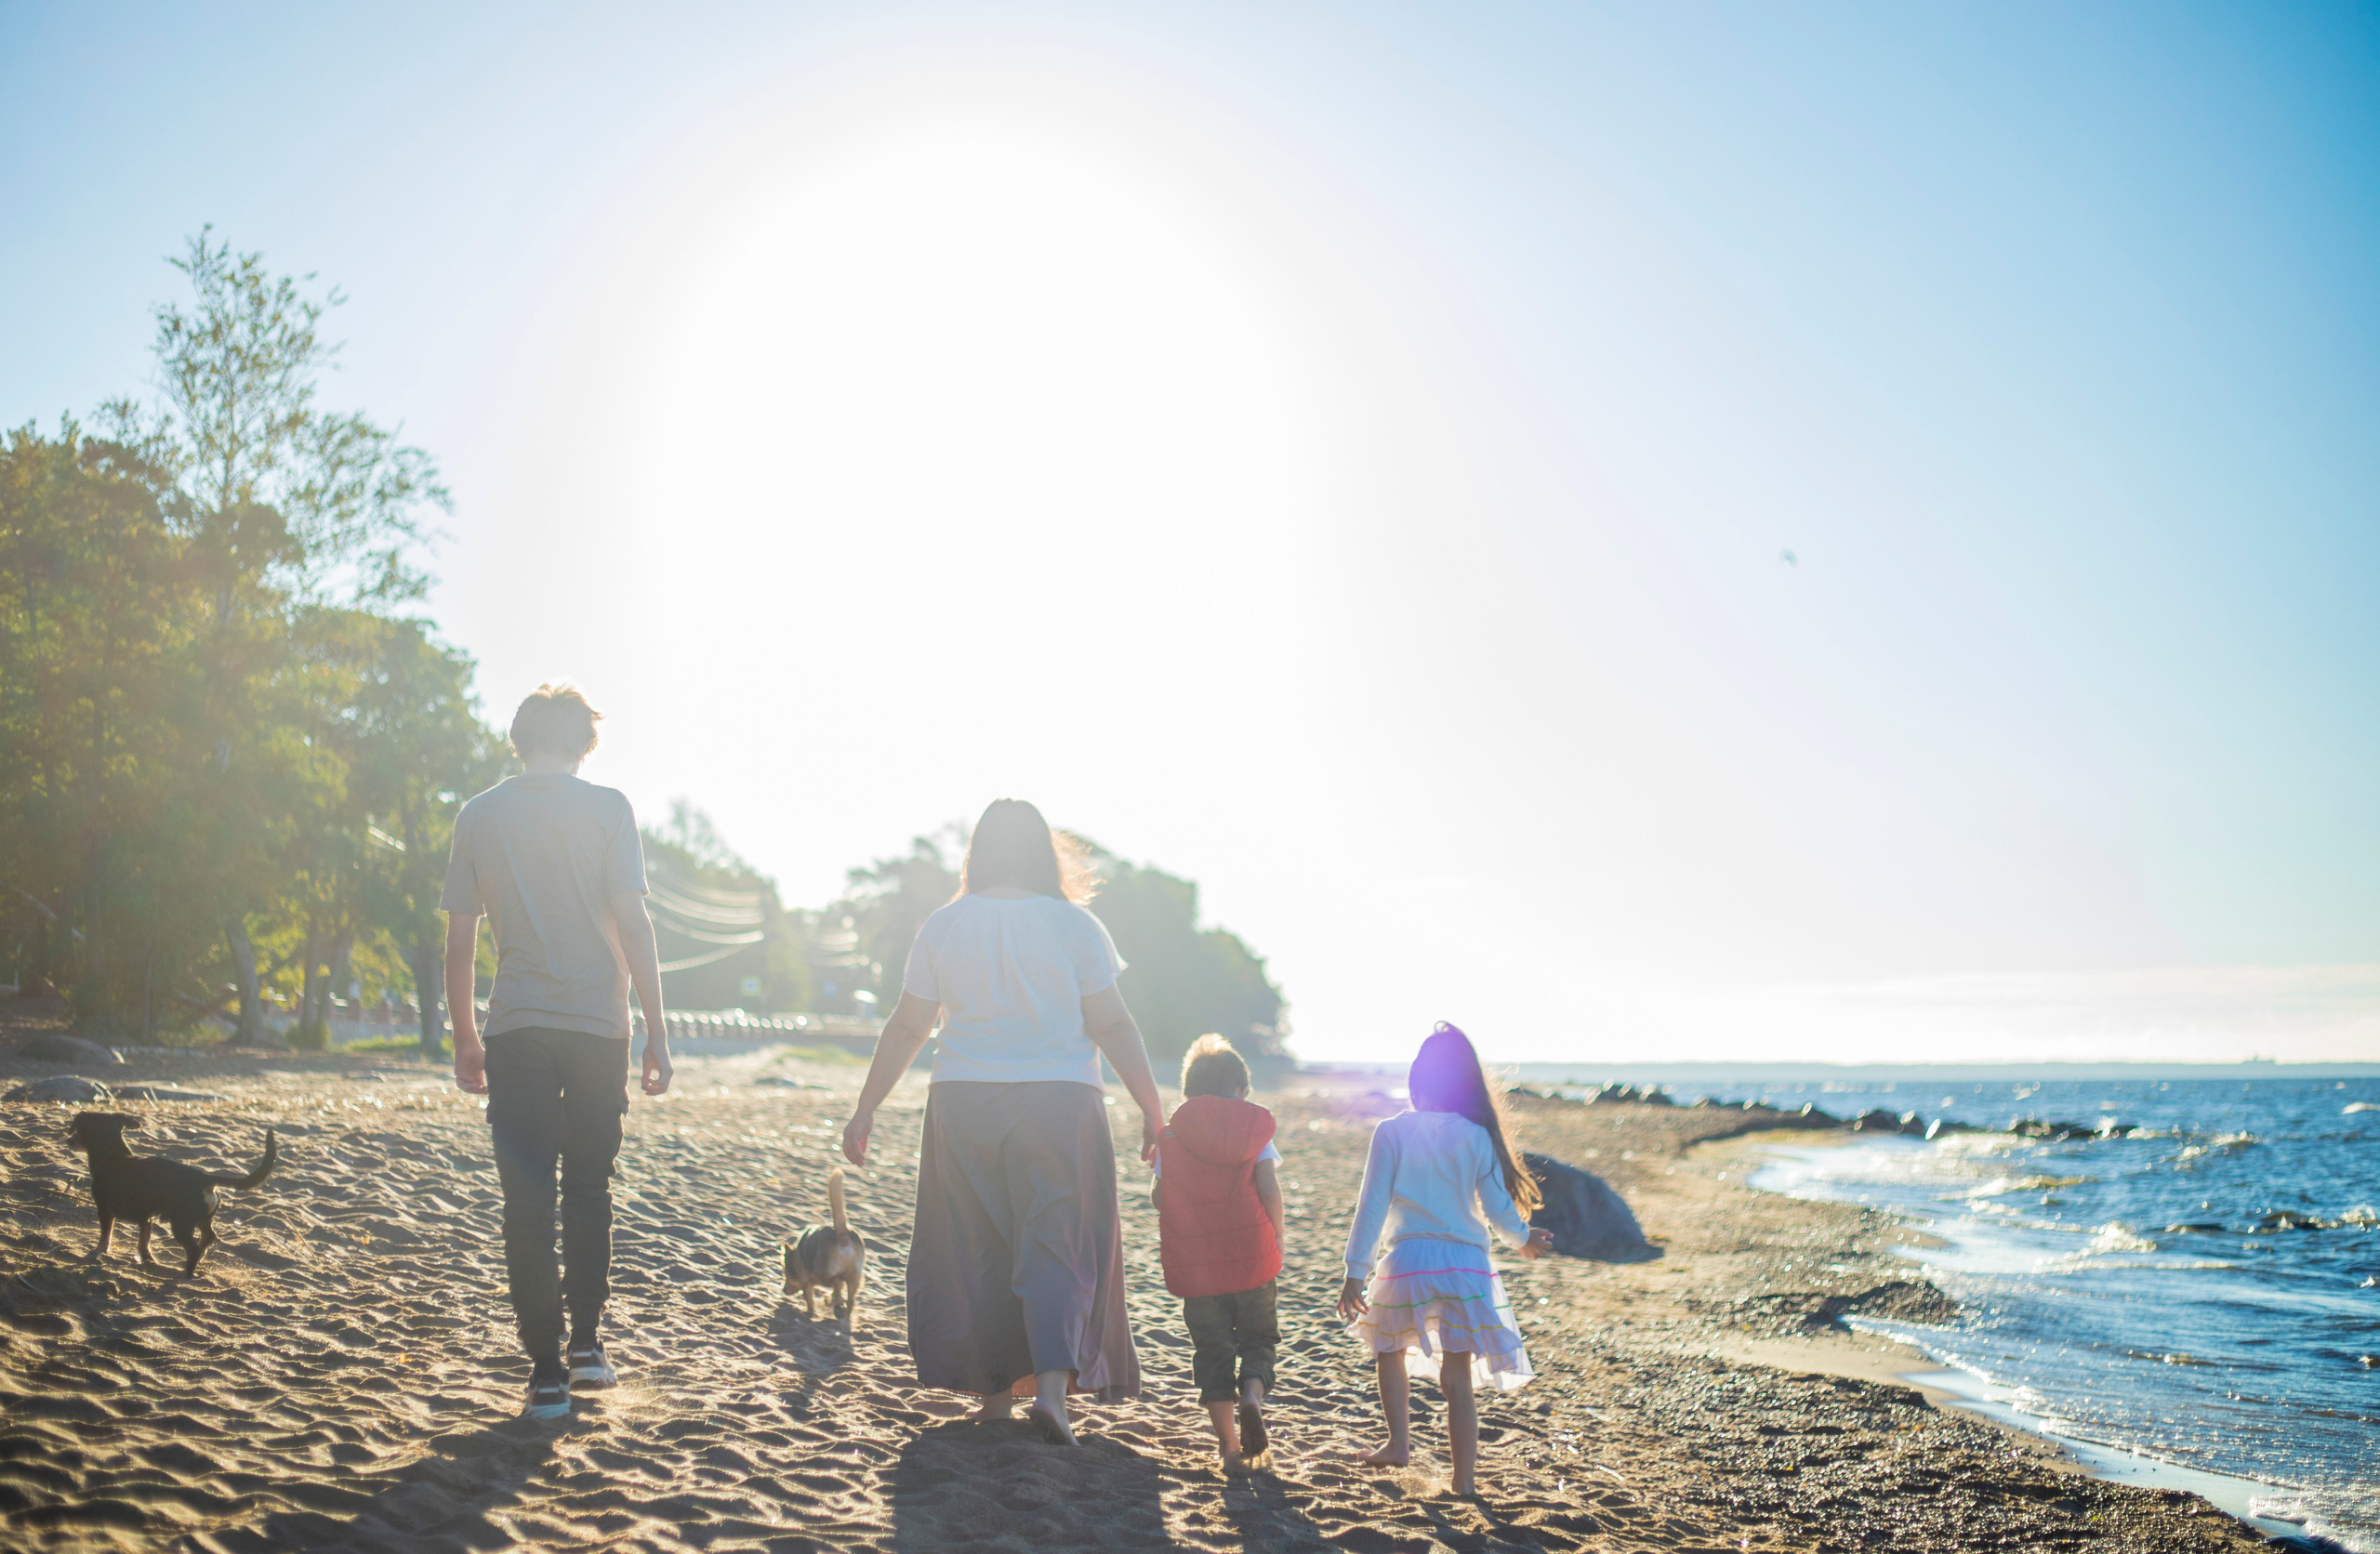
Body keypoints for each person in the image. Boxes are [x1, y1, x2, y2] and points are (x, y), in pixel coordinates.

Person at [840, 798, 1163, 1445]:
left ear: (978, 852)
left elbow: (908, 1025)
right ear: (1044, 852)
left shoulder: (946, 924)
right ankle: (1050, 1393)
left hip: (964, 1099)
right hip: (1060, 1102)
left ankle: (993, 1400)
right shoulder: (1076, 927)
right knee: (1057, 1247)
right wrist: (1153, 1109)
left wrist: (866, 1107)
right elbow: (1113, 1024)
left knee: (977, 1246)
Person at [442, 684, 673, 1420]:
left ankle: (543, 1371)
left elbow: (459, 939)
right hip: (598, 1029)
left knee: (527, 1199)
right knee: (589, 1191)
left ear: (518, 740)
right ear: (584, 744)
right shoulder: (610, 810)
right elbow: (634, 925)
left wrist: (465, 1037)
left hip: (515, 1028)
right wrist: (659, 1031)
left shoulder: (479, 814)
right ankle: (587, 1348)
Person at [1337, 1021, 1553, 1495]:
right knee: (1458, 1375)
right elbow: (1498, 1207)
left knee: (1389, 1350)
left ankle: (1398, 1443)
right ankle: (1464, 1480)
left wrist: (1355, 1271)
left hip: (1408, 1262)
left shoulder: (1391, 1132)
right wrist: (1522, 1239)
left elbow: (1371, 1205)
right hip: (1465, 1267)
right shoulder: (1475, 1136)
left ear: (1417, 1078)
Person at [1152, 1034, 1285, 1468]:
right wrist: (1277, 1238)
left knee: (1212, 1350)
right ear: (1242, 1089)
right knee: (1260, 1339)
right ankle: (1252, 1393)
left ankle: (1228, 1446)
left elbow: (1159, 1196)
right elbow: (1270, 1190)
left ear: (1189, 1090)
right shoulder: (1254, 1130)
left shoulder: (1172, 1136)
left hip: (1198, 1268)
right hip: (1253, 1259)